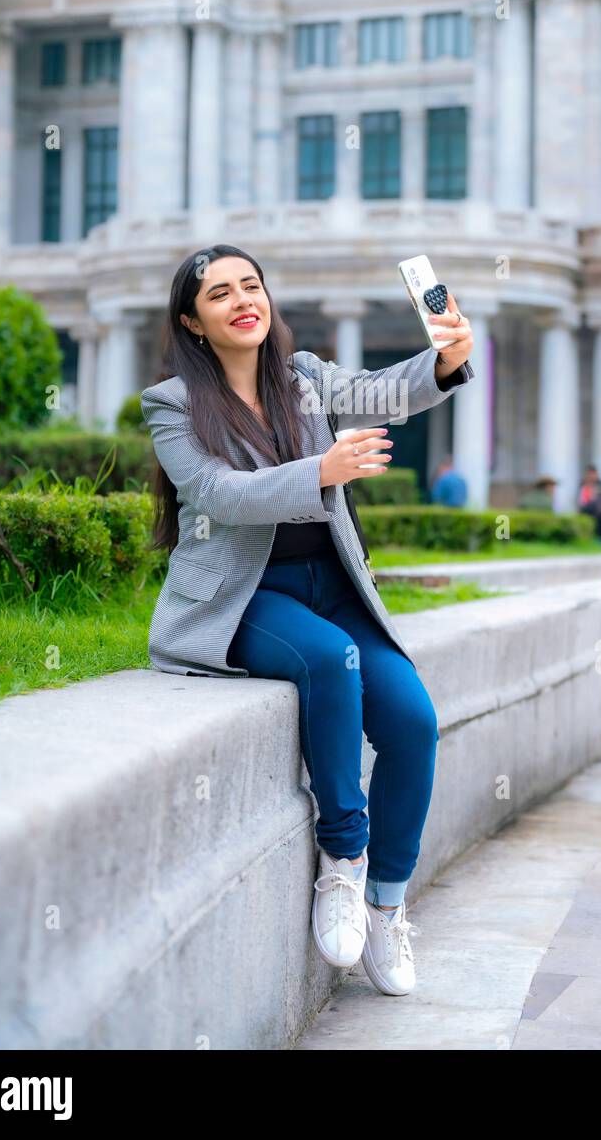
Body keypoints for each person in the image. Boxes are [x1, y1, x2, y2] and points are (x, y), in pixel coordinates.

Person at [141, 244, 475, 997]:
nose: (240, 301)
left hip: (333, 585)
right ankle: (342, 865)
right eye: (219, 294)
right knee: (330, 661)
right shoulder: (171, 404)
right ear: (193, 322)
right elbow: (219, 494)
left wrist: (446, 359)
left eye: (250, 285)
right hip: (243, 596)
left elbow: (386, 391)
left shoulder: (307, 378)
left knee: (413, 721)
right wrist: (321, 471)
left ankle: (387, 905)